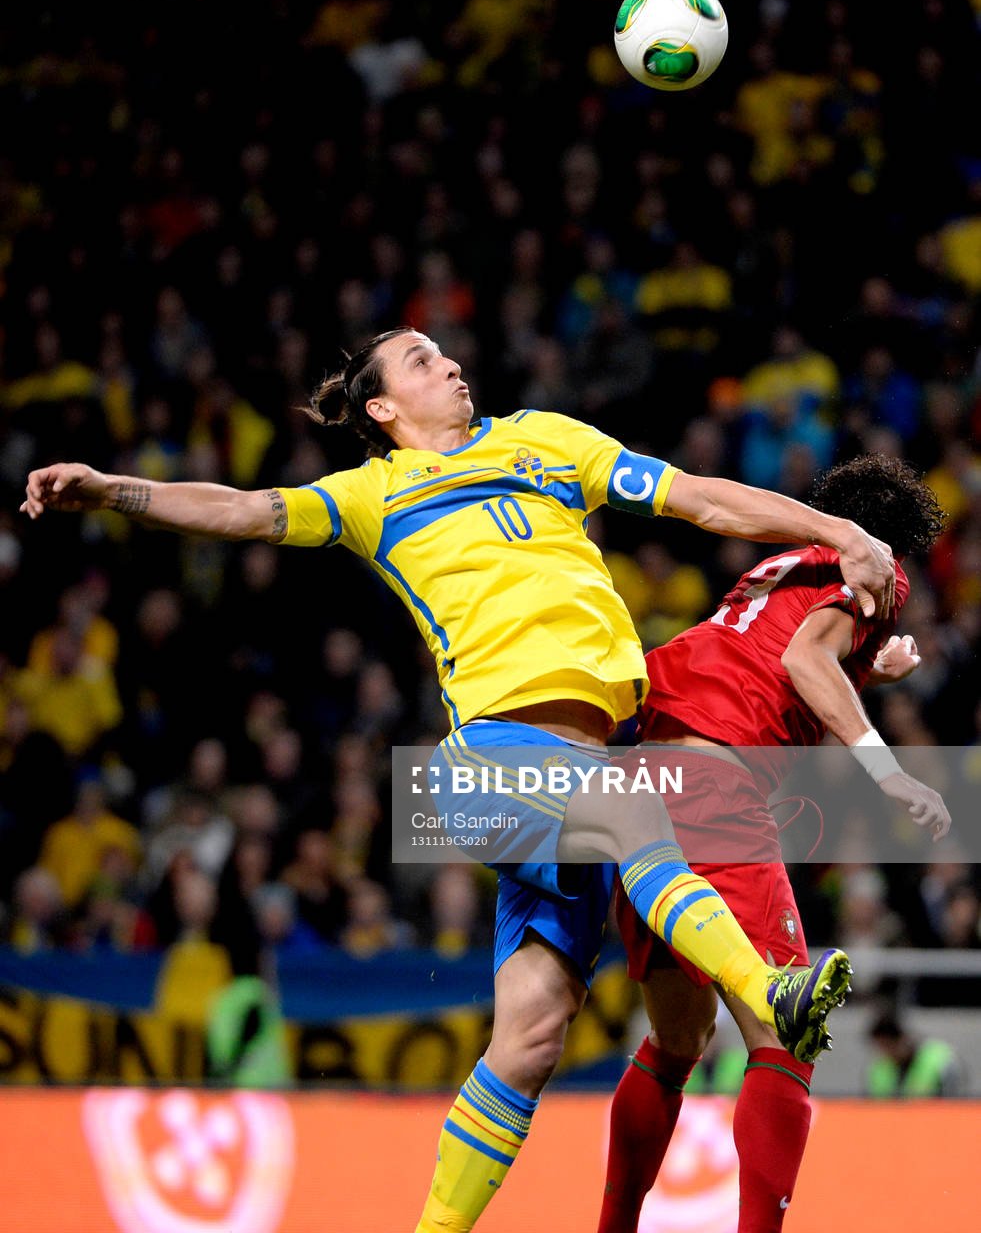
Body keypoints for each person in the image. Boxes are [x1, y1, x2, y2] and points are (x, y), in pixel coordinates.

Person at [22, 328, 895, 1233]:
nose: (448, 364)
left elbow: (703, 499)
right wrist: (110, 491)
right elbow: (242, 511)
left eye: (444, 353)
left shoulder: (548, 441)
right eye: (421, 361)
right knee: (635, 814)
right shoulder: (369, 494)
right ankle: (766, 992)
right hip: (496, 761)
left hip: (584, 773)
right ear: (381, 410)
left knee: (529, 1038)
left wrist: (833, 529)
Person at [596, 455, 950, 1233]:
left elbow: (776, 659)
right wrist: (884, 768)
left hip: (642, 785)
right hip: (714, 792)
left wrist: (865, 672)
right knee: (785, 1034)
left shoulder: (781, 563)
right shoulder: (871, 569)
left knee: (676, 1040)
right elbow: (802, 660)